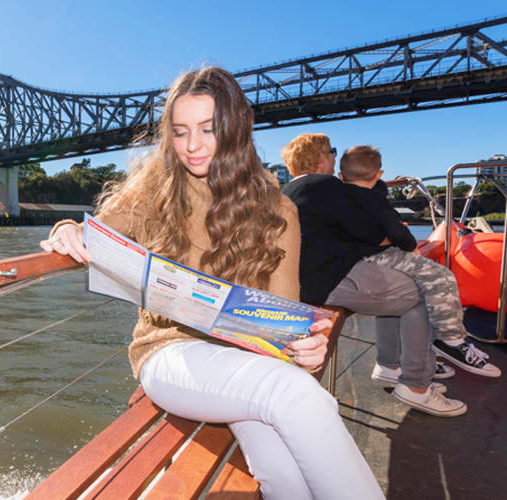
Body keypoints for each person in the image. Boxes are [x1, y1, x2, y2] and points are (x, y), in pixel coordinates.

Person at [41, 67, 383, 499]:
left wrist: (306, 347)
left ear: (236, 129)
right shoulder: (155, 187)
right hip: (168, 354)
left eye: (207, 129)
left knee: (287, 474)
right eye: (180, 131)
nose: (192, 145)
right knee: (299, 397)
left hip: (245, 360)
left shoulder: (278, 210)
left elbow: (283, 316)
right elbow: (95, 232)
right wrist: (65, 229)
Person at [281, 134, 465, 417]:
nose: (334, 157)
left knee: (396, 291)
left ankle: (391, 367)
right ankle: (416, 385)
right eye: (331, 151)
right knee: (419, 291)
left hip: (302, 281)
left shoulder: (287, 191)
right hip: (331, 279)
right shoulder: (327, 185)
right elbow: (368, 231)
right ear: (320, 158)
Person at [339, 145, 500, 378]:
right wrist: (413, 249)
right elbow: (400, 234)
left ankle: (397, 360)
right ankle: (451, 339)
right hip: (378, 256)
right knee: (441, 277)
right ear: (378, 175)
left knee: (414, 287)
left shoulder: (337, 196)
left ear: (341, 176)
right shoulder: (376, 200)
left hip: (354, 259)